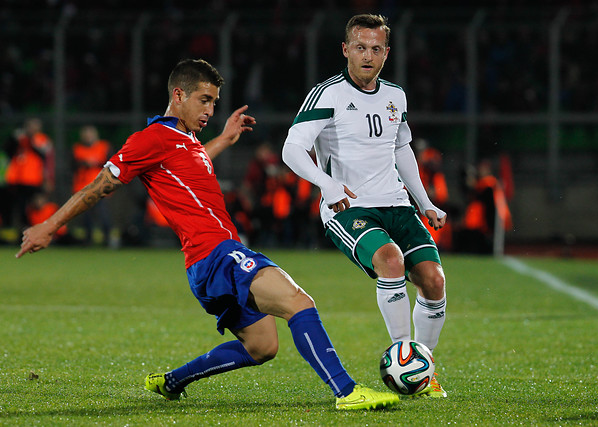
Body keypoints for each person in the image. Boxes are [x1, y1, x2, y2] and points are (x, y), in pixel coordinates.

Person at [15, 59, 398, 411]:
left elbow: (191, 163)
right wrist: (49, 225)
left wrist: (226, 138)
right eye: (204, 100)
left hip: (205, 265)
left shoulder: (184, 142)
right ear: (177, 95)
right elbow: (101, 184)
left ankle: (172, 382)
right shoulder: (151, 139)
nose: (210, 111)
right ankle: (347, 392)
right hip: (217, 253)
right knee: (298, 301)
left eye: (214, 102)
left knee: (262, 347)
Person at [282, 14, 448, 398]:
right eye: (360, 47)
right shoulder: (328, 94)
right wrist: (326, 183)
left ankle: (423, 371)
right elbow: (291, 148)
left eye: (376, 49)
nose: (367, 56)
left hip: (396, 202)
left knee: (434, 281)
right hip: (348, 207)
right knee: (390, 260)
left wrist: (425, 202)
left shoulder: (395, 95)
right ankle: (403, 354)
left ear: (386, 53)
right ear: (345, 50)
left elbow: (401, 148)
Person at [5, 118, 55, 232]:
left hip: (36, 180)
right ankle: (21, 232)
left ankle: (35, 231)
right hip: (19, 180)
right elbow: (8, 150)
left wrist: (30, 140)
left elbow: (45, 156)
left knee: (35, 206)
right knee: (19, 207)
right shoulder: (19, 139)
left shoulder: (42, 139)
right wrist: (15, 138)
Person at [71, 125, 112, 244]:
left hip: (101, 186)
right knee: (86, 217)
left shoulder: (104, 147)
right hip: (83, 187)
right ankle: (88, 240)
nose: (88, 137)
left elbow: (112, 163)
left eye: (90, 134)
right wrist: (83, 163)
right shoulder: (77, 148)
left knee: (103, 214)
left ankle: (107, 239)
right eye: (86, 135)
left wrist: (96, 163)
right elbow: (72, 165)